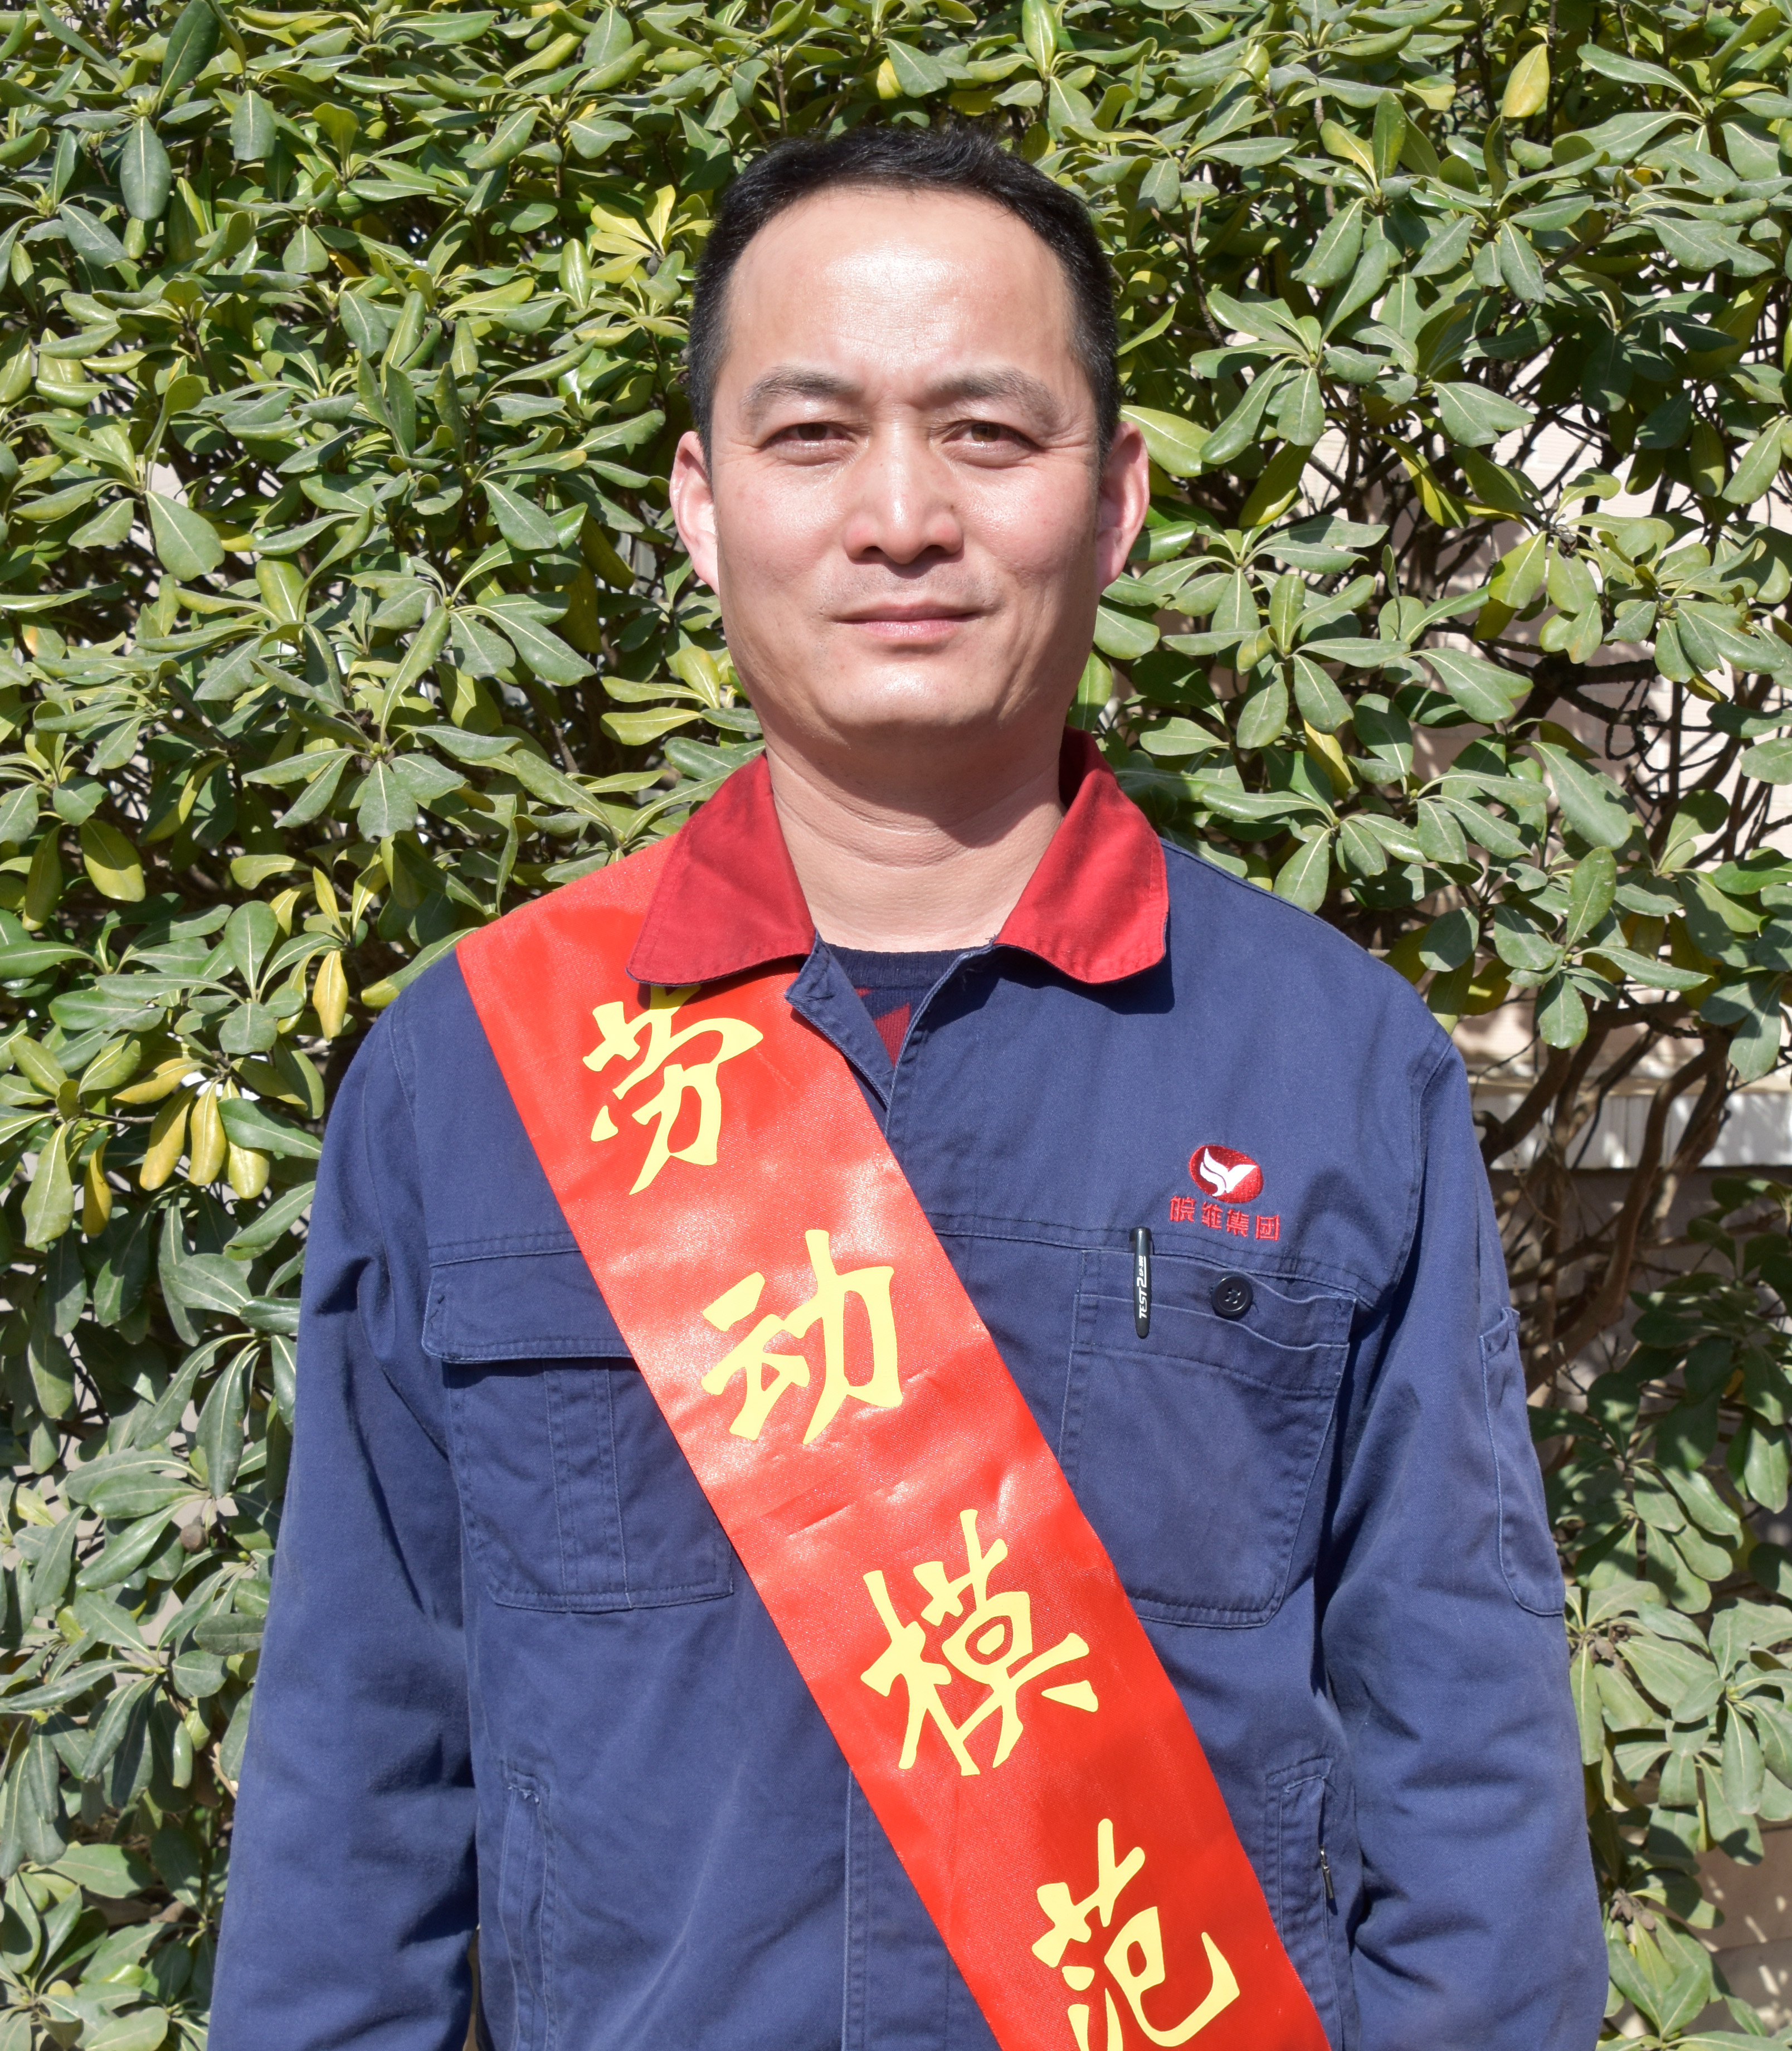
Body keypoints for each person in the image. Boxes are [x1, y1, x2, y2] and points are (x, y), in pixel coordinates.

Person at [210, 124, 1605, 2051]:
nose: (900, 517)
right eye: (811, 436)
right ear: (702, 503)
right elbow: (358, 1777)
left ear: (1113, 501)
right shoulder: (472, 1074)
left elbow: (1466, 1774)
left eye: (986, 433)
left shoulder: (1334, 1064)